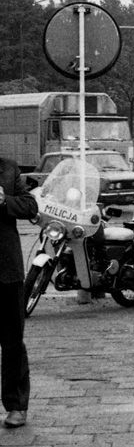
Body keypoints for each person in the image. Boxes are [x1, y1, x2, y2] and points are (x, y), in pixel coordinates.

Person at [1, 155, 37, 428]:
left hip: (6, 270)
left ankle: (16, 406)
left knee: (13, 341)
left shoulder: (8, 168)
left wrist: (5, 201)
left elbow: (30, 205)